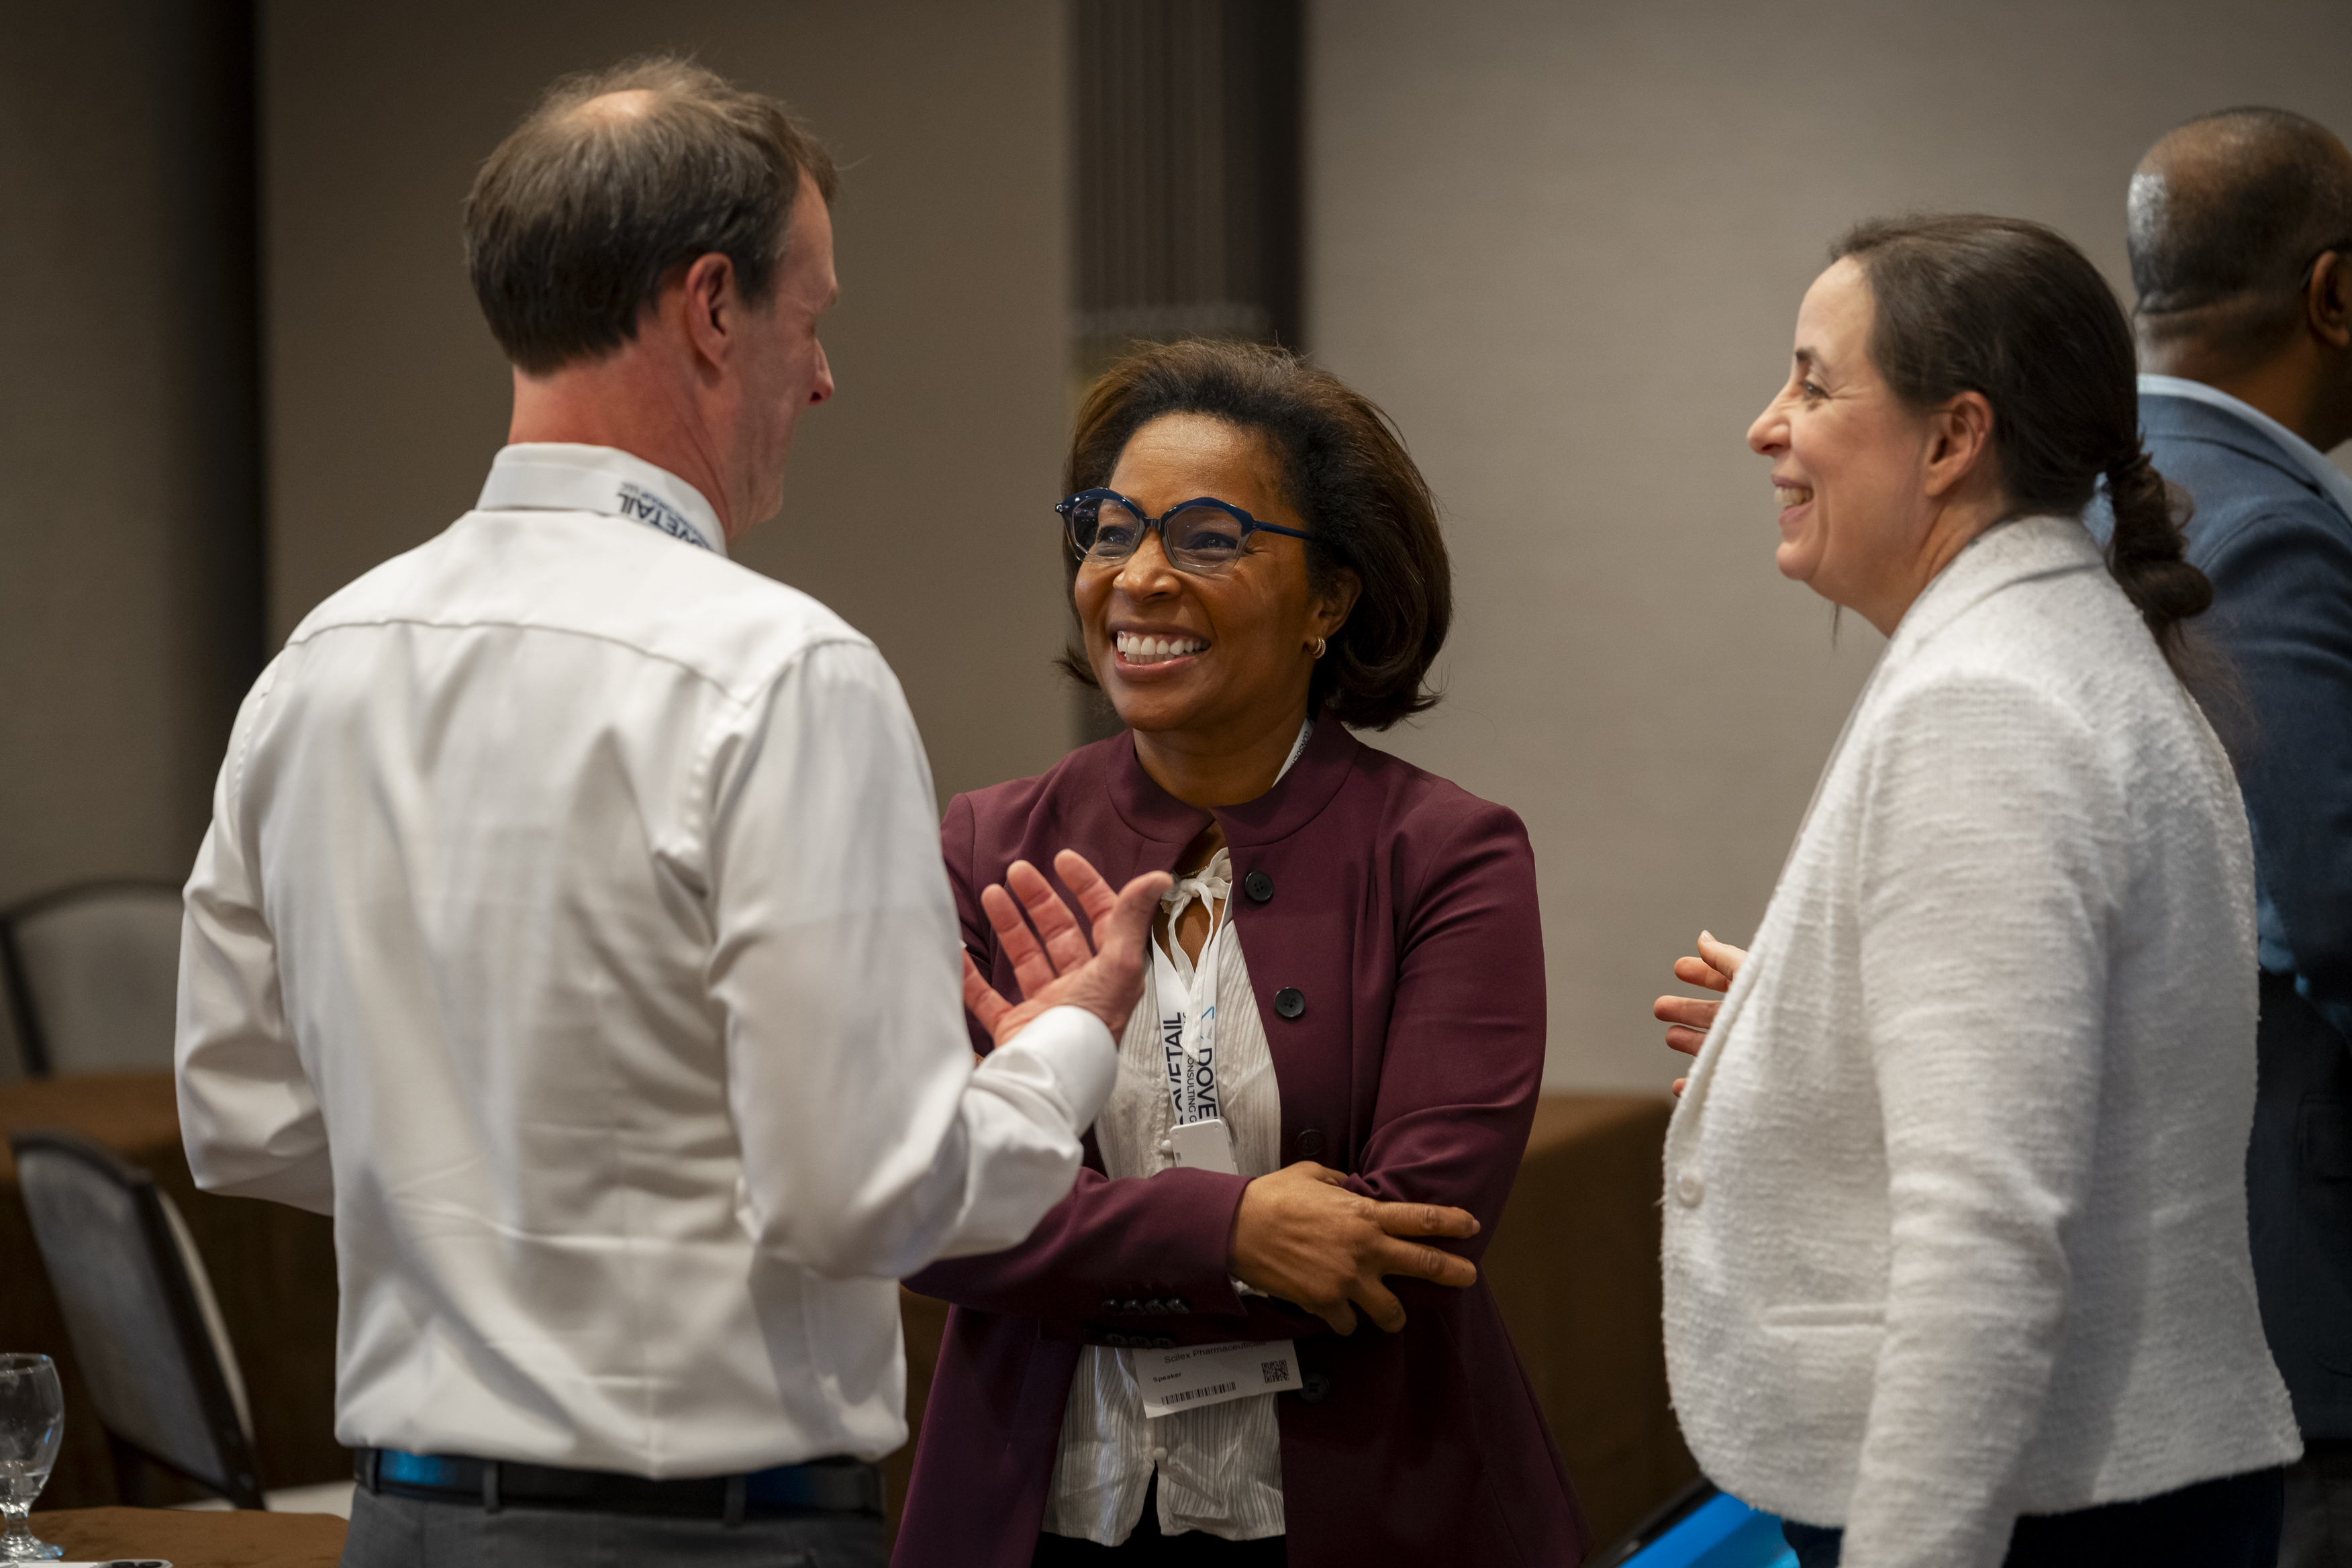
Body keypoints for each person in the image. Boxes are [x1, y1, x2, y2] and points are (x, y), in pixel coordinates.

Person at [175, 58, 1167, 1568]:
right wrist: (1064, 1053)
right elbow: (863, 1195)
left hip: (404, 1524)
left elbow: (239, 1116)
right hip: (707, 1536)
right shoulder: (783, 675)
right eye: (810, 318)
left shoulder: (315, 665)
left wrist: (509, 1166)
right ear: (713, 307)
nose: (822, 378)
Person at [1653, 215, 2302, 1567]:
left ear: (1954, 438)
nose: (1767, 427)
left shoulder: (1988, 703)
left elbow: (1987, 1229)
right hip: (2098, 1484)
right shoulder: (2063, 648)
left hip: (2035, 1509)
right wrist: (1799, 1051)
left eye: (1814, 383)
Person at [892, 340, 1587, 1567]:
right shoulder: (987, 843)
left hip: (1359, 1511)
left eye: (1209, 538)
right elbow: (930, 1212)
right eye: (1109, 531)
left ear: (1332, 600)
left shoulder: (1447, 853)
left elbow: (1418, 1237)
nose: (1139, 578)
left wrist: (1073, 1226)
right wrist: (1233, 1233)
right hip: (1042, 1512)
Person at [2114, 107, 2352, 1567]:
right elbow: (2337, 908)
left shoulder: (2102, 493)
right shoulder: (2253, 525)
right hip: (2297, 1265)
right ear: (2335, 293)